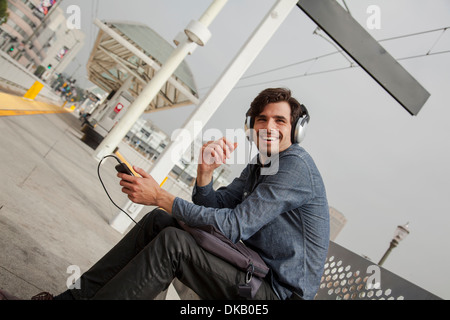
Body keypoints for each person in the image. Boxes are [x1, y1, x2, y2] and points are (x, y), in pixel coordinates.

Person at [0, 88, 329, 301]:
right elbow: (214, 208)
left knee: (175, 244)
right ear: (251, 126)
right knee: (160, 221)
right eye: (262, 119)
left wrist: (160, 195)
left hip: (276, 294)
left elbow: (231, 225)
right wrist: (204, 175)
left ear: (296, 128)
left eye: (280, 120)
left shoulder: (295, 167)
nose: (269, 126)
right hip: (253, 272)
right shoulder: (261, 165)